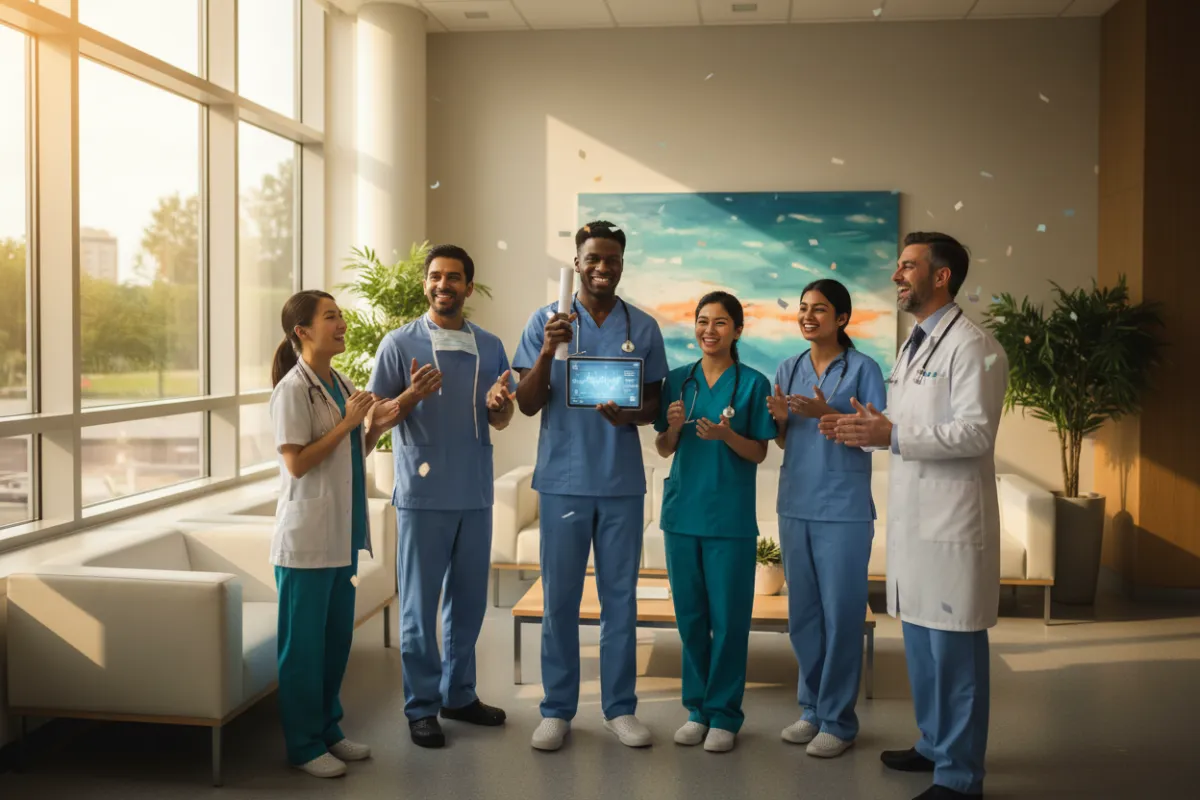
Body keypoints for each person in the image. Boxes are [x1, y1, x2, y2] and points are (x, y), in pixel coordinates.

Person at [824, 232, 1007, 800]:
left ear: (941, 276)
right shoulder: (915, 344)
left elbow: (975, 432)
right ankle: (932, 745)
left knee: (955, 655)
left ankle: (959, 777)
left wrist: (893, 433)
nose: (897, 276)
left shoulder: (974, 346)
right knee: (924, 648)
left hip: (951, 527)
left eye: (907, 267)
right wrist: (873, 428)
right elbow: (909, 429)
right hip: (917, 524)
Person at [513, 220, 668, 752]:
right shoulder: (546, 321)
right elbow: (527, 402)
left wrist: (628, 416)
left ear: (622, 265)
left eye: (613, 260)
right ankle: (557, 710)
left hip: (621, 482)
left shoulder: (642, 326)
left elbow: (651, 405)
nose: (603, 268)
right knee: (560, 600)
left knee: (619, 602)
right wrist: (544, 352)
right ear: (576, 264)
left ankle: (619, 709)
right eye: (593, 259)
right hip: (563, 479)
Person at [367, 244, 516, 748]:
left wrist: (500, 406)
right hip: (423, 492)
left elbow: (500, 417)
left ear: (469, 288)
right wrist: (410, 397)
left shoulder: (491, 346)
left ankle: (459, 693)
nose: (443, 285)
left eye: (454, 277)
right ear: (426, 284)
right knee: (418, 605)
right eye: (435, 276)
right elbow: (372, 419)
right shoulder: (398, 343)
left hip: (474, 489)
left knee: (469, 604)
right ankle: (421, 706)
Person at [269, 290, 401, 778]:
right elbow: (298, 464)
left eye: (340, 315)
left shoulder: (341, 381)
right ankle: (303, 745)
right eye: (331, 317)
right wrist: (349, 423)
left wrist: (372, 430)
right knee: (302, 650)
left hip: (341, 535)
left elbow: (349, 452)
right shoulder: (290, 390)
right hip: (305, 540)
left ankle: (328, 730)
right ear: (302, 331)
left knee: (333, 643)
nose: (342, 323)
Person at [767, 279, 886, 759]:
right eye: (802, 308)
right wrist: (778, 420)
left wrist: (826, 412)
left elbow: (878, 437)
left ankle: (839, 720)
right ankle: (812, 709)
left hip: (844, 510)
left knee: (841, 617)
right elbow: (783, 441)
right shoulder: (787, 367)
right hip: (796, 503)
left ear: (842, 318)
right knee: (805, 617)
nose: (807, 316)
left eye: (819, 309)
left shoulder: (864, 368)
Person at [653, 291, 777, 753]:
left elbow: (760, 451)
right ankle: (696, 709)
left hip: (729, 519)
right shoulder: (678, 381)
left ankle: (725, 714)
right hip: (682, 514)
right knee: (690, 618)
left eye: (721, 322)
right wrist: (671, 427)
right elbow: (666, 448)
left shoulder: (753, 383)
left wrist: (727, 434)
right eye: (703, 321)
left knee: (729, 621)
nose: (710, 330)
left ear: (738, 330)